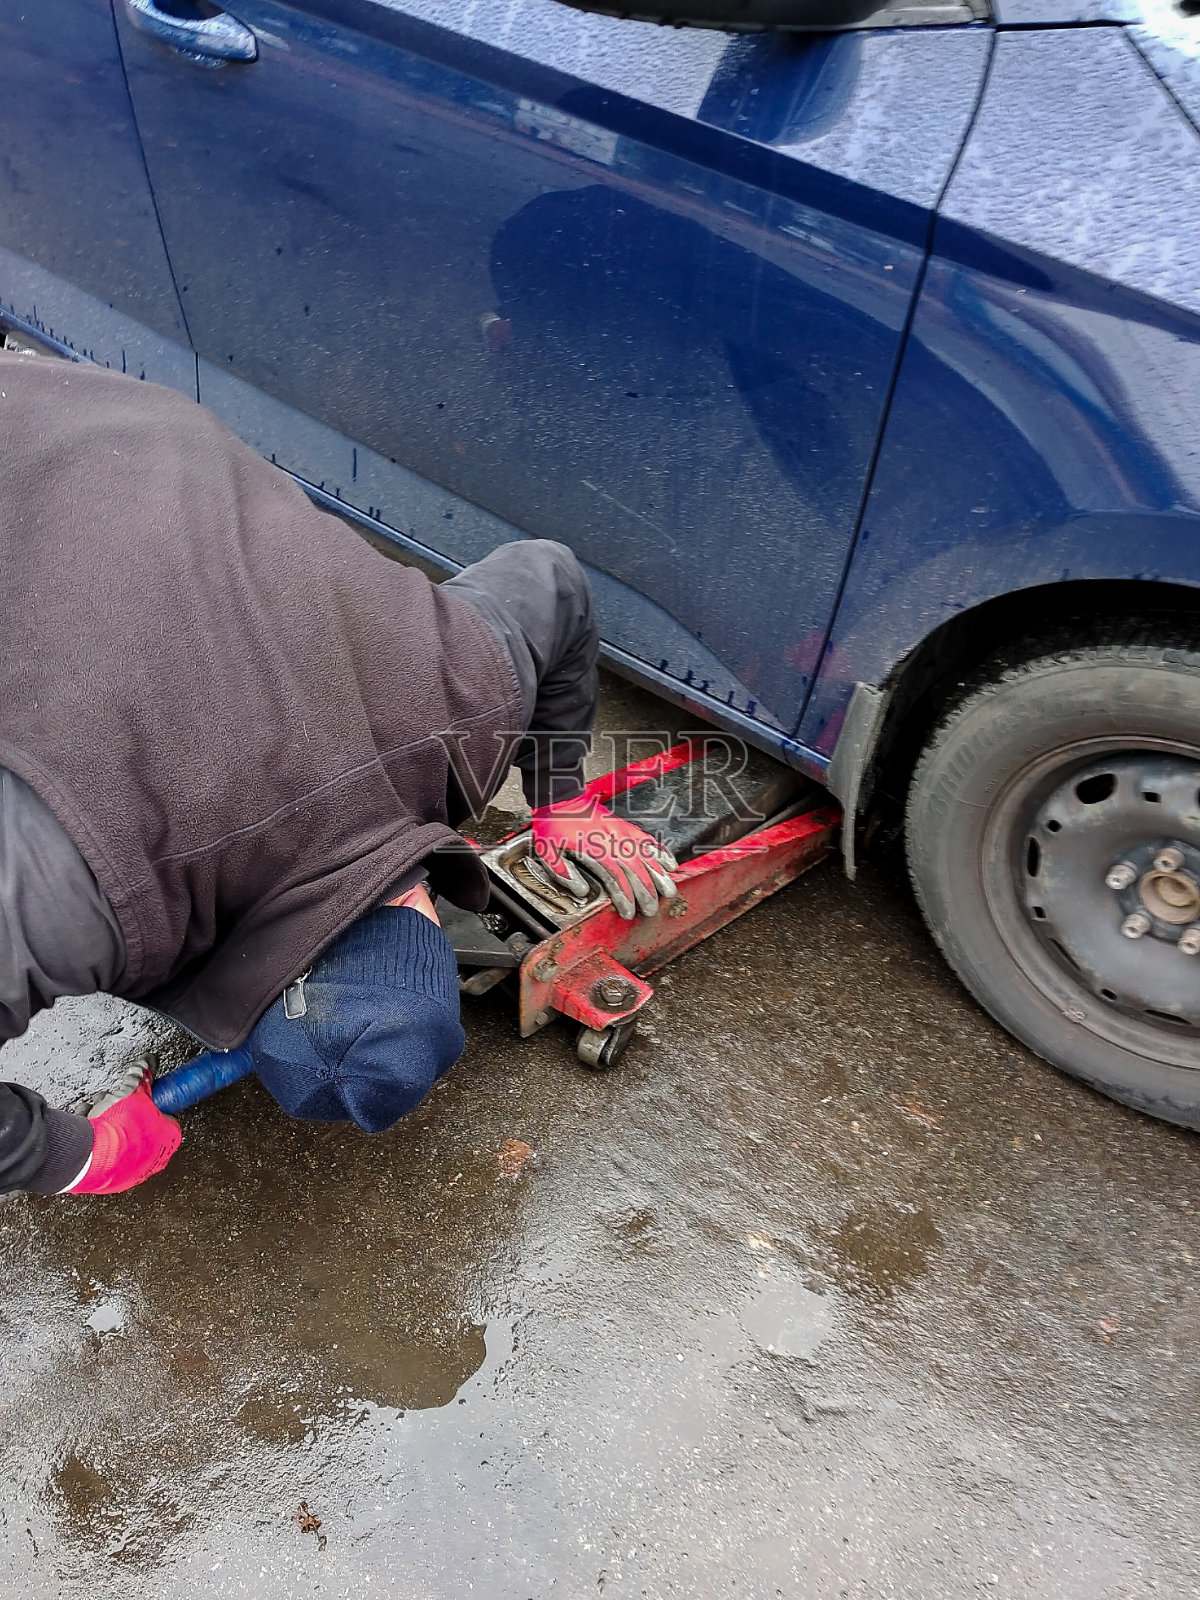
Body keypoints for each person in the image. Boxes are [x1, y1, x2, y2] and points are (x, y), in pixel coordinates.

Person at [0, 351, 676, 1198]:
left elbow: (553, 578)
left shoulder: (462, 702)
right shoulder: (83, 892)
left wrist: (561, 801)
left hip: (127, 432)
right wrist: (75, 1159)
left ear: (419, 905)